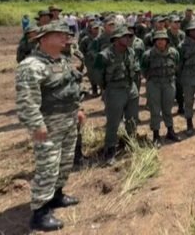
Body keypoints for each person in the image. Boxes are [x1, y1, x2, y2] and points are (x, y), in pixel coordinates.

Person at [15, 22, 84, 232]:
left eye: (66, 35)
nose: (66, 38)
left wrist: (78, 110)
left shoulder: (62, 61)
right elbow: (27, 100)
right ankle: (40, 212)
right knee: (47, 167)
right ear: (43, 39)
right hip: (48, 124)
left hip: (68, 120)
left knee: (64, 162)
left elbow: (71, 88)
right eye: (60, 35)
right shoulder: (31, 66)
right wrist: (36, 124)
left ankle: (57, 195)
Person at [95, 27, 140, 165]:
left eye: (129, 36)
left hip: (131, 89)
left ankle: (129, 142)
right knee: (113, 122)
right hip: (114, 91)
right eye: (124, 36)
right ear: (116, 39)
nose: (128, 39)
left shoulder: (131, 52)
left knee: (132, 119)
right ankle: (110, 150)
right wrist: (107, 89)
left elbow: (136, 69)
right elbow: (98, 76)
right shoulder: (104, 56)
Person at [140, 31, 181, 147]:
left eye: (163, 39)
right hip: (154, 84)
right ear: (154, 41)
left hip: (169, 83)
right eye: (158, 40)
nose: (161, 41)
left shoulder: (174, 53)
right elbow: (143, 69)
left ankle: (170, 131)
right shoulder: (148, 55)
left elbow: (177, 65)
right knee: (155, 110)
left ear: (167, 41)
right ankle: (156, 135)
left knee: (168, 108)